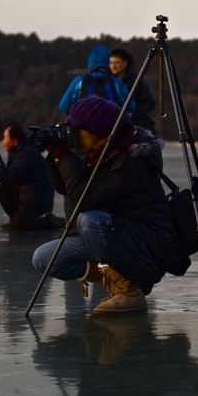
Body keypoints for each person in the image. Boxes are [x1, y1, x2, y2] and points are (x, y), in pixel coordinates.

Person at [31, 96, 179, 315]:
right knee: (44, 259)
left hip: (147, 240)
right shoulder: (98, 152)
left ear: (97, 132)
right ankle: (116, 275)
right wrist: (56, 155)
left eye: (76, 128)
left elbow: (85, 199)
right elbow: (65, 189)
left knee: (88, 220)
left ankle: (130, 293)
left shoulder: (130, 161)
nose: (71, 133)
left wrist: (64, 155)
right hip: (116, 234)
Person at [0, 123, 62, 231]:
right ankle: (15, 218)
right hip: (25, 194)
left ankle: (51, 221)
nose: (3, 142)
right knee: (3, 189)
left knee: (22, 225)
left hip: (37, 198)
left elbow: (14, 175)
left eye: (5, 138)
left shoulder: (27, 153)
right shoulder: (16, 151)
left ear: (15, 141)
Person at [58, 45, 134, 115]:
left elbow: (64, 107)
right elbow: (131, 106)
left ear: (90, 61)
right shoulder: (115, 82)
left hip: (84, 127)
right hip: (111, 127)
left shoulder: (80, 81)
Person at [109, 47, 158, 135]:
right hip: (113, 125)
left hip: (136, 125)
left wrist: (131, 114)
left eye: (117, 62)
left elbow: (149, 103)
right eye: (111, 63)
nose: (113, 66)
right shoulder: (107, 81)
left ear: (125, 63)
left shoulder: (137, 80)